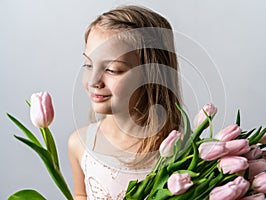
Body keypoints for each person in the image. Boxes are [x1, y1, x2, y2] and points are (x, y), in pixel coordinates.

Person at [68, 5, 182, 199]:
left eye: (112, 69)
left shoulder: (180, 150)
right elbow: (80, 194)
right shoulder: (79, 144)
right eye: (88, 65)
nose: (94, 80)